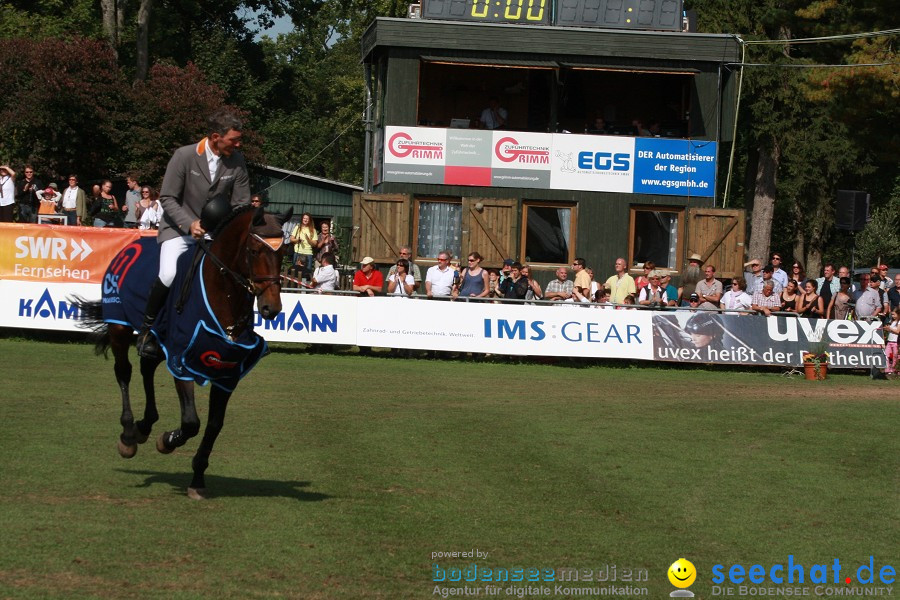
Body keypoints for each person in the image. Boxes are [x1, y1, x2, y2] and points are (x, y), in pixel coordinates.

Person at [135, 110, 251, 358]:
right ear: (216, 136)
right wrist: (189, 224)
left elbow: (242, 204)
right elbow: (167, 197)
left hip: (214, 233)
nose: (239, 144)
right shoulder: (184, 155)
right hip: (178, 230)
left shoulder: (237, 161)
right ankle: (148, 331)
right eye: (234, 139)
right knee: (169, 273)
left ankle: (239, 333)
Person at [290, 213, 317, 279]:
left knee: (307, 274)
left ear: (309, 220)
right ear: (302, 219)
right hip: (297, 252)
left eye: (307, 219)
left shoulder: (313, 230)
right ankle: (294, 287)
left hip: (308, 253)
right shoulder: (297, 227)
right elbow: (291, 239)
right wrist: (298, 240)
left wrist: (308, 240)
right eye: (304, 218)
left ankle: (305, 288)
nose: (305, 220)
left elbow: (315, 244)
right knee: (295, 272)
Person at [883, 306, 900, 376]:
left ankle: (894, 369)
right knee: (886, 355)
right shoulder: (892, 322)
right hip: (890, 341)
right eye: (892, 314)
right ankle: (887, 369)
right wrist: (887, 329)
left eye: (894, 314)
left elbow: (898, 331)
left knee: (895, 356)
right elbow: (892, 330)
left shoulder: (899, 322)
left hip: (896, 342)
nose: (892, 316)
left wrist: (890, 328)